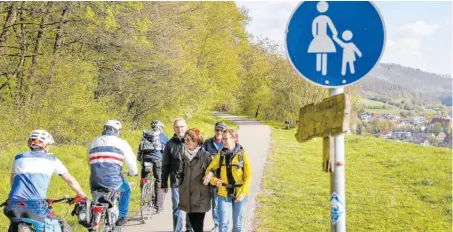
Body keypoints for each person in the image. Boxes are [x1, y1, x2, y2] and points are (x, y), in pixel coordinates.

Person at [4, 130, 87, 232]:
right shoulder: (51, 159)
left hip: (12, 205)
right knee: (56, 228)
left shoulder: (18, 158)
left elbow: (12, 181)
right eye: (49, 145)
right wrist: (82, 195)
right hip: (35, 205)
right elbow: (70, 180)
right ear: (45, 145)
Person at [88, 120, 138, 226]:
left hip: (94, 181)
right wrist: (134, 172)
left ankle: (96, 219)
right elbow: (131, 160)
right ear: (116, 131)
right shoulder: (121, 143)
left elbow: (90, 161)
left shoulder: (94, 141)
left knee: (97, 201)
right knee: (126, 190)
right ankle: (122, 216)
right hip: (113, 182)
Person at [203, 129, 252, 232]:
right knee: (223, 224)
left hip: (239, 194)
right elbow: (208, 171)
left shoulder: (242, 155)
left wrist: (243, 193)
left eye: (226, 139)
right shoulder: (220, 155)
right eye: (223, 139)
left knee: (237, 225)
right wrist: (215, 181)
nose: (223, 141)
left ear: (234, 139)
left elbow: (248, 176)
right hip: (223, 193)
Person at [161, 118, 193, 232]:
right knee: (177, 208)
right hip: (176, 182)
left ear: (186, 127)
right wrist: (164, 183)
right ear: (174, 128)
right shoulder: (169, 144)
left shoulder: (194, 141)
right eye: (177, 127)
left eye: (182, 126)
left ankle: (190, 228)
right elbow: (165, 165)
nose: (180, 129)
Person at [178, 129, 213, 232]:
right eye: (185, 140)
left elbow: (215, 169)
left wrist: (211, 174)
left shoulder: (205, 155)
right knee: (192, 222)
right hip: (187, 196)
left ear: (196, 141)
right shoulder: (184, 155)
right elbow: (180, 173)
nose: (186, 142)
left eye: (188, 140)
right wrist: (180, 185)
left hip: (200, 197)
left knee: (198, 225)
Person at [137, 119, 169, 213]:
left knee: (143, 177)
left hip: (145, 159)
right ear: (161, 128)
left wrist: (140, 159)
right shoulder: (163, 137)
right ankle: (159, 206)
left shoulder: (146, 135)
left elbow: (140, 149)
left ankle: (144, 193)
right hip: (157, 160)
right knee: (159, 180)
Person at [202, 122, 228, 232]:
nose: (219, 132)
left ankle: (224, 225)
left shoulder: (228, 143)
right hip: (212, 178)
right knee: (215, 203)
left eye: (222, 130)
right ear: (214, 130)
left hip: (226, 178)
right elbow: (201, 159)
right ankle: (217, 225)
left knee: (225, 203)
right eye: (217, 130)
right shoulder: (207, 143)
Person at [307, 1, 338, 76]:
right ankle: (322, 70)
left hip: (319, 37)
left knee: (319, 51)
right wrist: (335, 33)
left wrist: (315, 36)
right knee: (324, 52)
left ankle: (319, 69)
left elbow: (313, 29)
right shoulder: (326, 18)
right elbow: (332, 27)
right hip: (324, 37)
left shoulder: (316, 19)